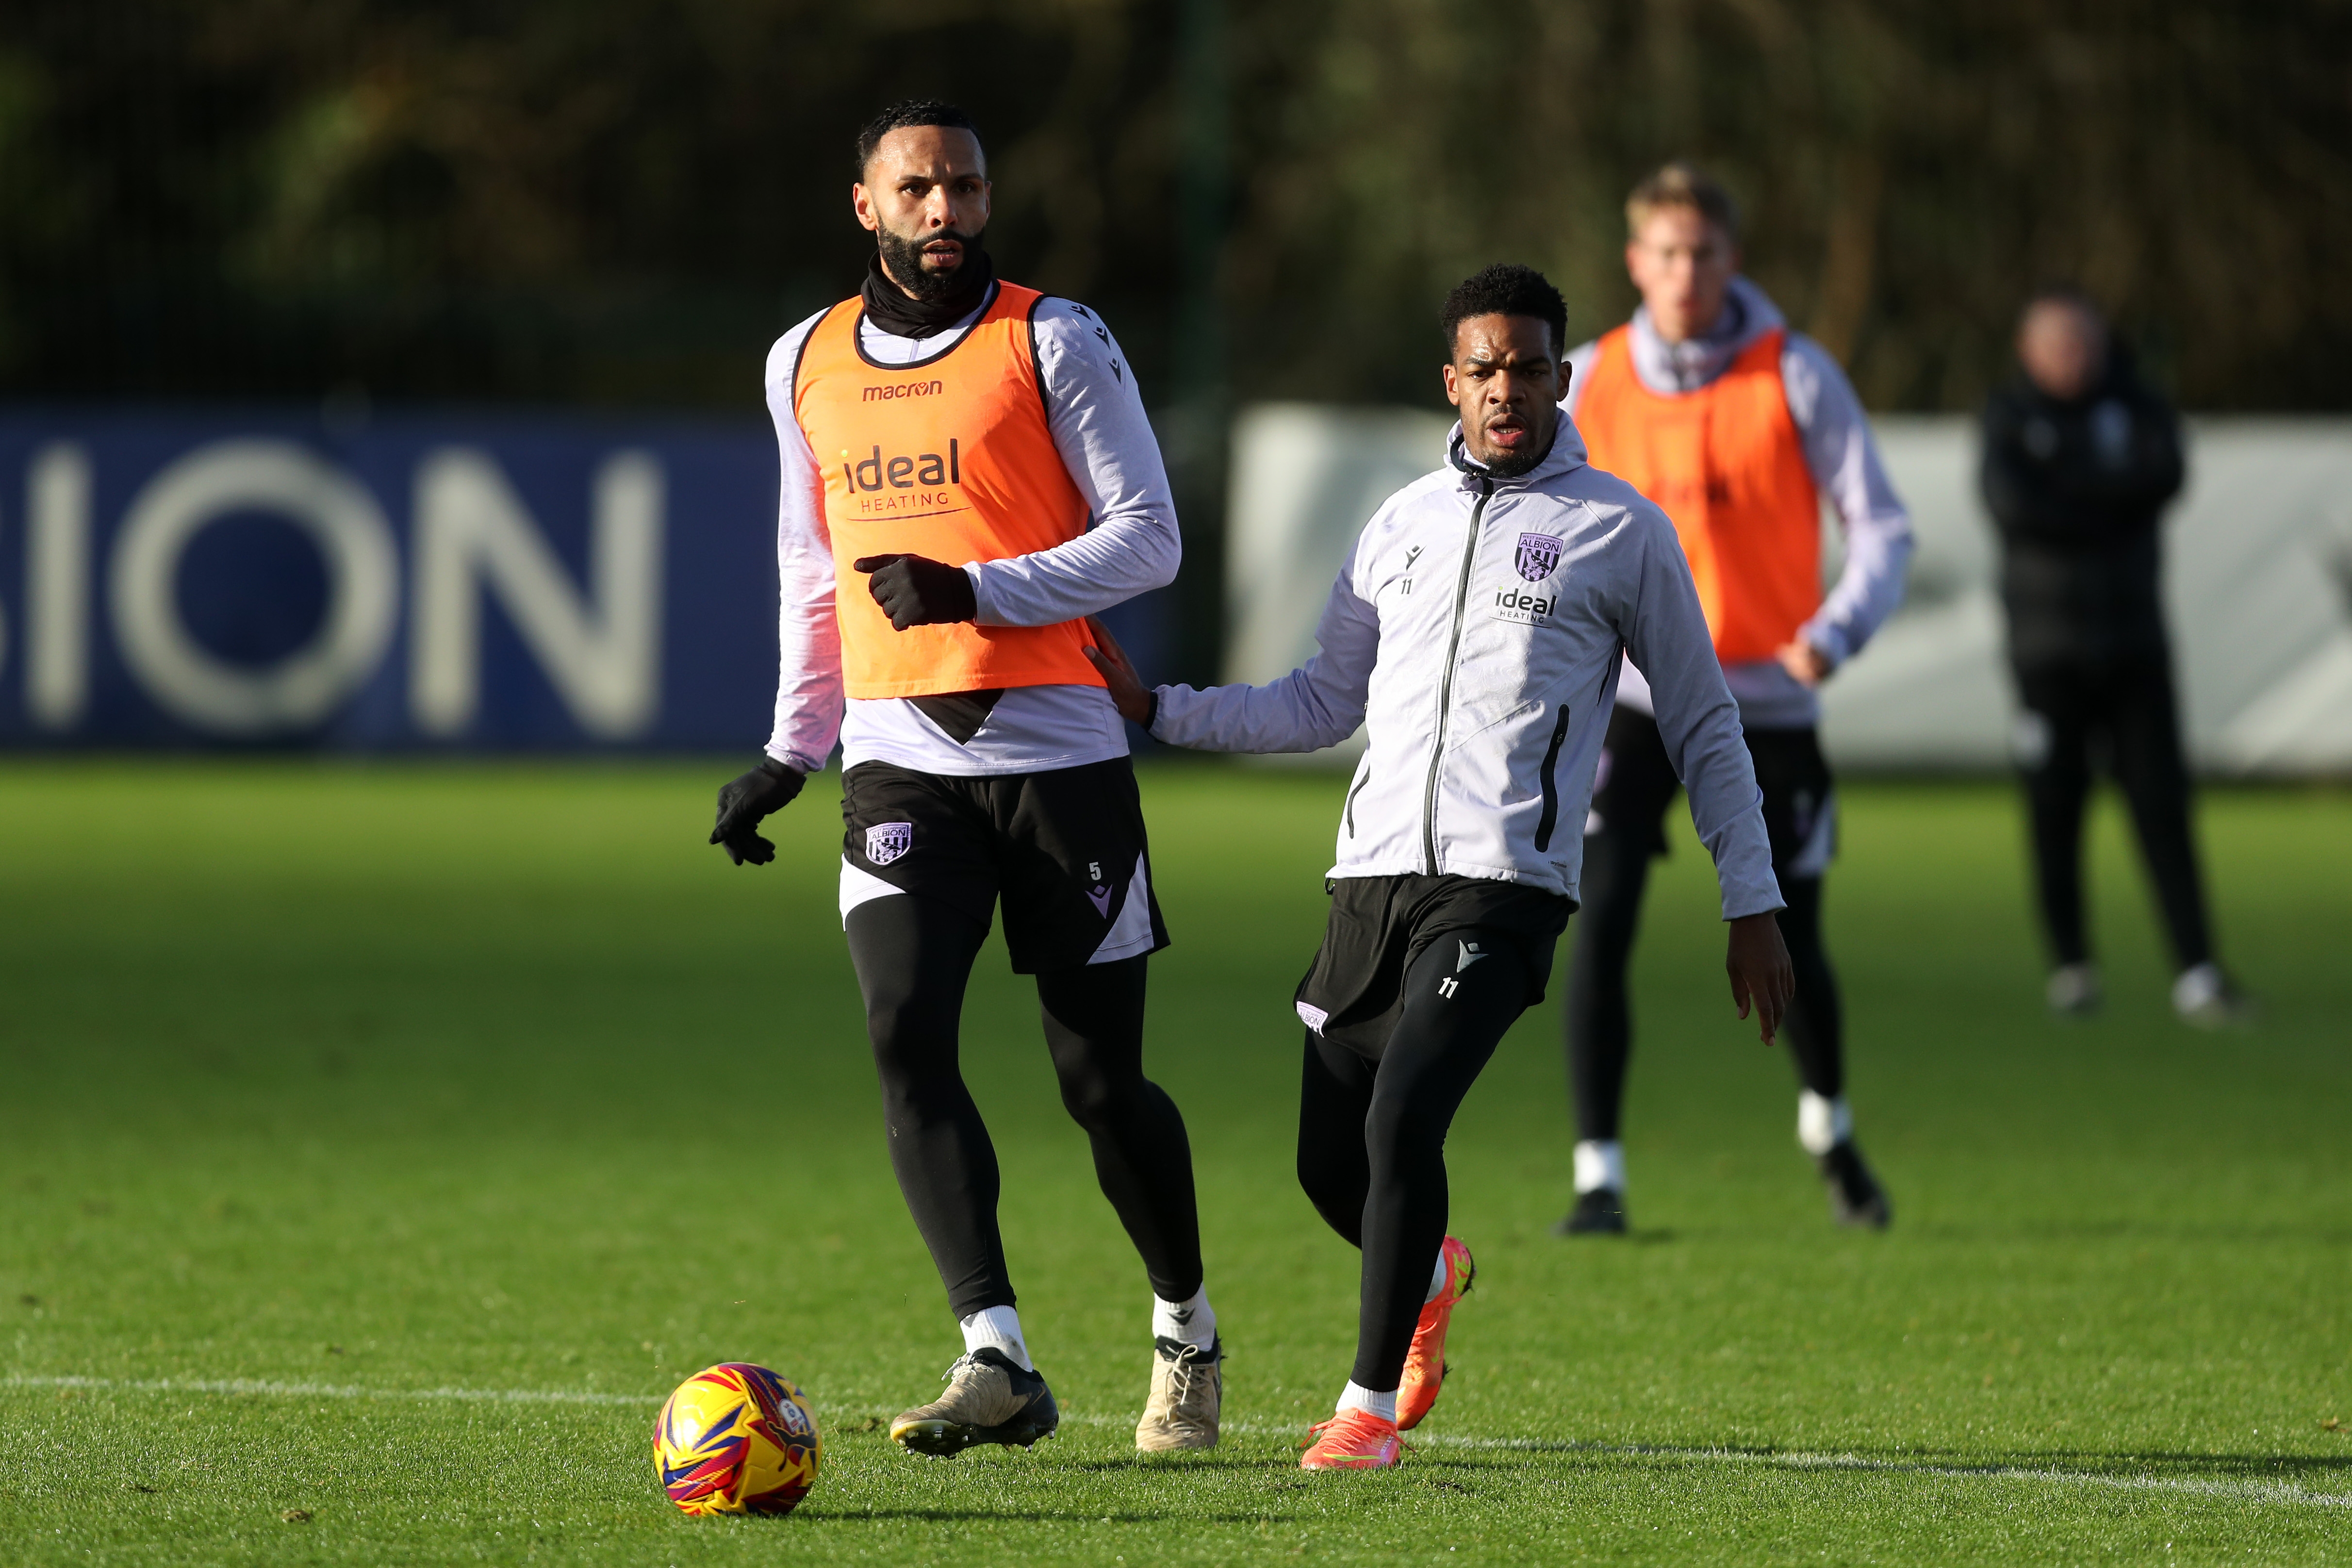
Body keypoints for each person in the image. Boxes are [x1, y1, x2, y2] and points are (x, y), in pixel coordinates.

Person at [1086, 264, 1794, 1470]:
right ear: (1451, 381)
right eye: (1484, 368)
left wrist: (1753, 896)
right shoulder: (1398, 522)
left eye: (1528, 367)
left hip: (1505, 886)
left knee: (1408, 1109)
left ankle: (1363, 1412)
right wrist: (1163, 707)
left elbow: (1702, 720)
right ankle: (1434, 1268)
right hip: (1369, 880)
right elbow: (1322, 699)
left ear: (1561, 379)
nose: (1505, 388)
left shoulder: (1621, 530)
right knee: (1329, 1159)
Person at [706, 100, 1223, 1457]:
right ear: (866, 206)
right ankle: (996, 1354)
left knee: (1101, 1084)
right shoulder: (803, 361)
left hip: (1060, 757)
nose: (949, 212)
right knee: (902, 1034)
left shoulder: (1056, 338)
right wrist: (788, 749)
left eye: (969, 189)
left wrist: (978, 587)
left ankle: (1187, 1329)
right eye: (921, 189)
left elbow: (1151, 539)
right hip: (898, 765)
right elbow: (810, 575)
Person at [1554, 162, 1914, 1237]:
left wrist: (1835, 633)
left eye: (1703, 252)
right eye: (1665, 252)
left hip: (1768, 704)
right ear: (1634, 262)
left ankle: (1831, 1127)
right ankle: (1598, 1172)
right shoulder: (1585, 378)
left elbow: (1884, 527)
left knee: (1790, 930)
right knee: (1601, 918)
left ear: (1733, 259)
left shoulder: (1796, 374)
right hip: (1632, 702)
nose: (1684, 272)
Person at [1980, 288, 2247, 1025]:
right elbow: (2018, 508)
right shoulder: (2009, 417)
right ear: (2029, 352)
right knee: (2054, 813)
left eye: (2085, 342)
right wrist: (2106, 502)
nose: (2075, 358)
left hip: (2135, 648)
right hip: (2048, 658)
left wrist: (2073, 494)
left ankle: (2198, 970)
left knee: (2163, 809)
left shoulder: (2137, 408)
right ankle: (2071, 965)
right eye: (2059, 344)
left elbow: (2161, 480)